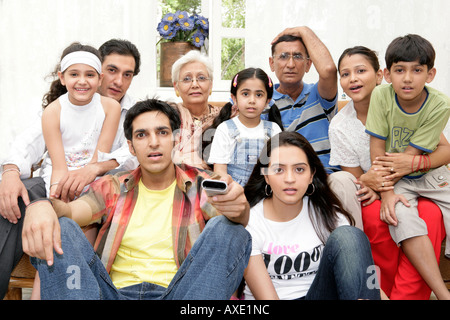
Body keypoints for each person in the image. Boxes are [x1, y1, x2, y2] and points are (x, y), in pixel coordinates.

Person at [22, 99, 251, 300]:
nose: (153, 142)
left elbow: (235, 219)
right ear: (131, 146)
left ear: (176, 139)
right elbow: (70, 211)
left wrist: (240, 210)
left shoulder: (201, 184)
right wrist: (41, 205)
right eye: (142, 135)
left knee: (231, 229)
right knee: (61, 225)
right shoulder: (113, 187)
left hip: (182, 294)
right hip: (111, 294)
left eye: (162, 132)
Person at [0, 39, 141, 299]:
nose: (118, 80)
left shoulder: (134, 111)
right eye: (112, 70)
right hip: (57, 182)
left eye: (127, 74)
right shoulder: (59, 108)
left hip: (103, 191)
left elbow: (138, 153)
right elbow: (28, 142)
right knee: (16, 196)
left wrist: (97, 168)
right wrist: (9, 171)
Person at [329, 46, 448, 299]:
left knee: (431, 214)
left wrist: (415, 165)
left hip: (418, 184)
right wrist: (373, 183)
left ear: (380, 75)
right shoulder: (339, 125)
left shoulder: (407, 101)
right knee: (378, 216)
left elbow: (442, 149)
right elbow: (356, 179)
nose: (353, 79)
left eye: (361, 71)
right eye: (345, 74)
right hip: (377, 192)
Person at [241, 131, 380, 300]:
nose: (290, 179)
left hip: (320, 294)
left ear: (311, 175)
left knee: (350, 235)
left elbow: (362, 275)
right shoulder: (251, 222)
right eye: (279, 170)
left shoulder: (326, 213)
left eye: (299, 169)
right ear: (266, 176)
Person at [365, 34, 450, 300]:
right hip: (396, 178)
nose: (408, 78)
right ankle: (443, 294)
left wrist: (395, 176)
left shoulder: (440, 104)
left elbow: (409, 158)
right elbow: (378, 151)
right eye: (399, 70)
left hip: (429, 175)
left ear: (430, 74)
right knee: (403, 219)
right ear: (387, 75)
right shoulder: (381, 95)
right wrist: (387, 193)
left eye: (417, 70)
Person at [40, 42, 121, 197]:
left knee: (93, 203)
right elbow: (58, 168)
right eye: (74, 74)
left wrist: (85, 184)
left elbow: (98, 158)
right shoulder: (53, 112)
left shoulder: (111, 107)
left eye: (90, 75)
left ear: (100, 79)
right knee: (61, 207)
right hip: (60, 173)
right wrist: (59, 193)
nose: (82, 81)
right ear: (62, 78)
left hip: (92, 173)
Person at [263, 26, 339, 174]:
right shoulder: (263, 102)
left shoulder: (319, 94)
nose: (290, 64)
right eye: (283, 56)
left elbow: (329, 69)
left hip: (324, 178)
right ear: (272, 63)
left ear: (308, 64)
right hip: (282, 179)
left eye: (297, 56)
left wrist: (304, 31)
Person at [208, 68, 282, 186]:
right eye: (245, 94)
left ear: (267, 101)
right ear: (234, 98)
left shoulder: (274, 130)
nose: (252, 100)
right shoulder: (225, 129)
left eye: (259, 95)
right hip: (234, 193)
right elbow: (220, 172)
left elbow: (279, 168)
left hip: (266, 193)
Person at [171, 50, 234, 170]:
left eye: (201, 78)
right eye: (187, 79)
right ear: (176, 87)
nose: (195, 84)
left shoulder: (226, 117)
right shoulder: (167, 116)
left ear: (211, 84)